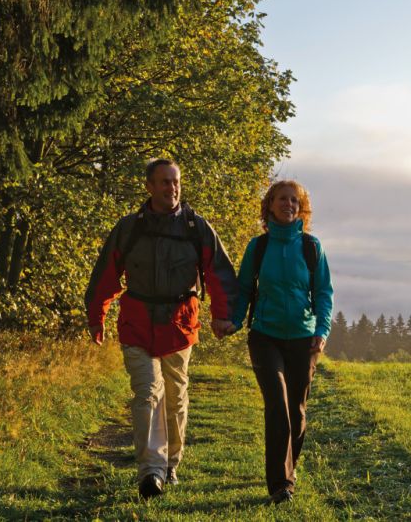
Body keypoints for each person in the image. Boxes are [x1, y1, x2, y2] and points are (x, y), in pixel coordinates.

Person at [85, 158, 237, 499]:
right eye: (165, 182)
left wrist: (223, 316)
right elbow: (106, 274)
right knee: (147, 393)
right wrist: (97, 315)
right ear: (149, 186)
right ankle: (151, 471)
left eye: (176, 181)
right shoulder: (129, 228)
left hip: (180, 324)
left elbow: (220, 273)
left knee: (175, 396)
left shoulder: (197, 227)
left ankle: (171, 465)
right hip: (137, 323)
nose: (172, 188)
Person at [229, 180, 334, 504]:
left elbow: (323, 293)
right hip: (265, 336)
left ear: (300, 207)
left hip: (304, 339)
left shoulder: (311, 247)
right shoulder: (258, 247)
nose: (288, 204)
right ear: (270, 205)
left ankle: (289, 469)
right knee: (277, 407)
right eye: (282, 199)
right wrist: (232, 321)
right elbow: (244, 288)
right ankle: (280, 485)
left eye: (294, 200)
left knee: (296, 413)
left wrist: (322, 330)